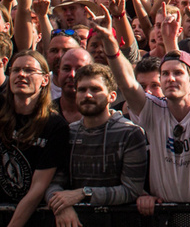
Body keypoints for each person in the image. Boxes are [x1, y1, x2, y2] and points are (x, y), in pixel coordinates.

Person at [102, 0, 190, 210]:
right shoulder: (153, 110)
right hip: (164, 215)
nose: (170, 78)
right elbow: (127, 84)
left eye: (178, 73)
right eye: (165, 74)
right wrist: (110, 43)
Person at [45, 63, 148, 227]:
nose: (88, 95)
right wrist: (61, 206)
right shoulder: (67, 132)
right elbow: (51, 182)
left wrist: (83, 194)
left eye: (95, 89)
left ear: (112, 96)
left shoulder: (130, 133)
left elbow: (131, 190)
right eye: (82, 90)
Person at [0, 51, 69, 227]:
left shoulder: (55, 125)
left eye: (29, 70)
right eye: (16, 70)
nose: (21, 74)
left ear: (45, 79)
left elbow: (38, 188)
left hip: (33, 216)